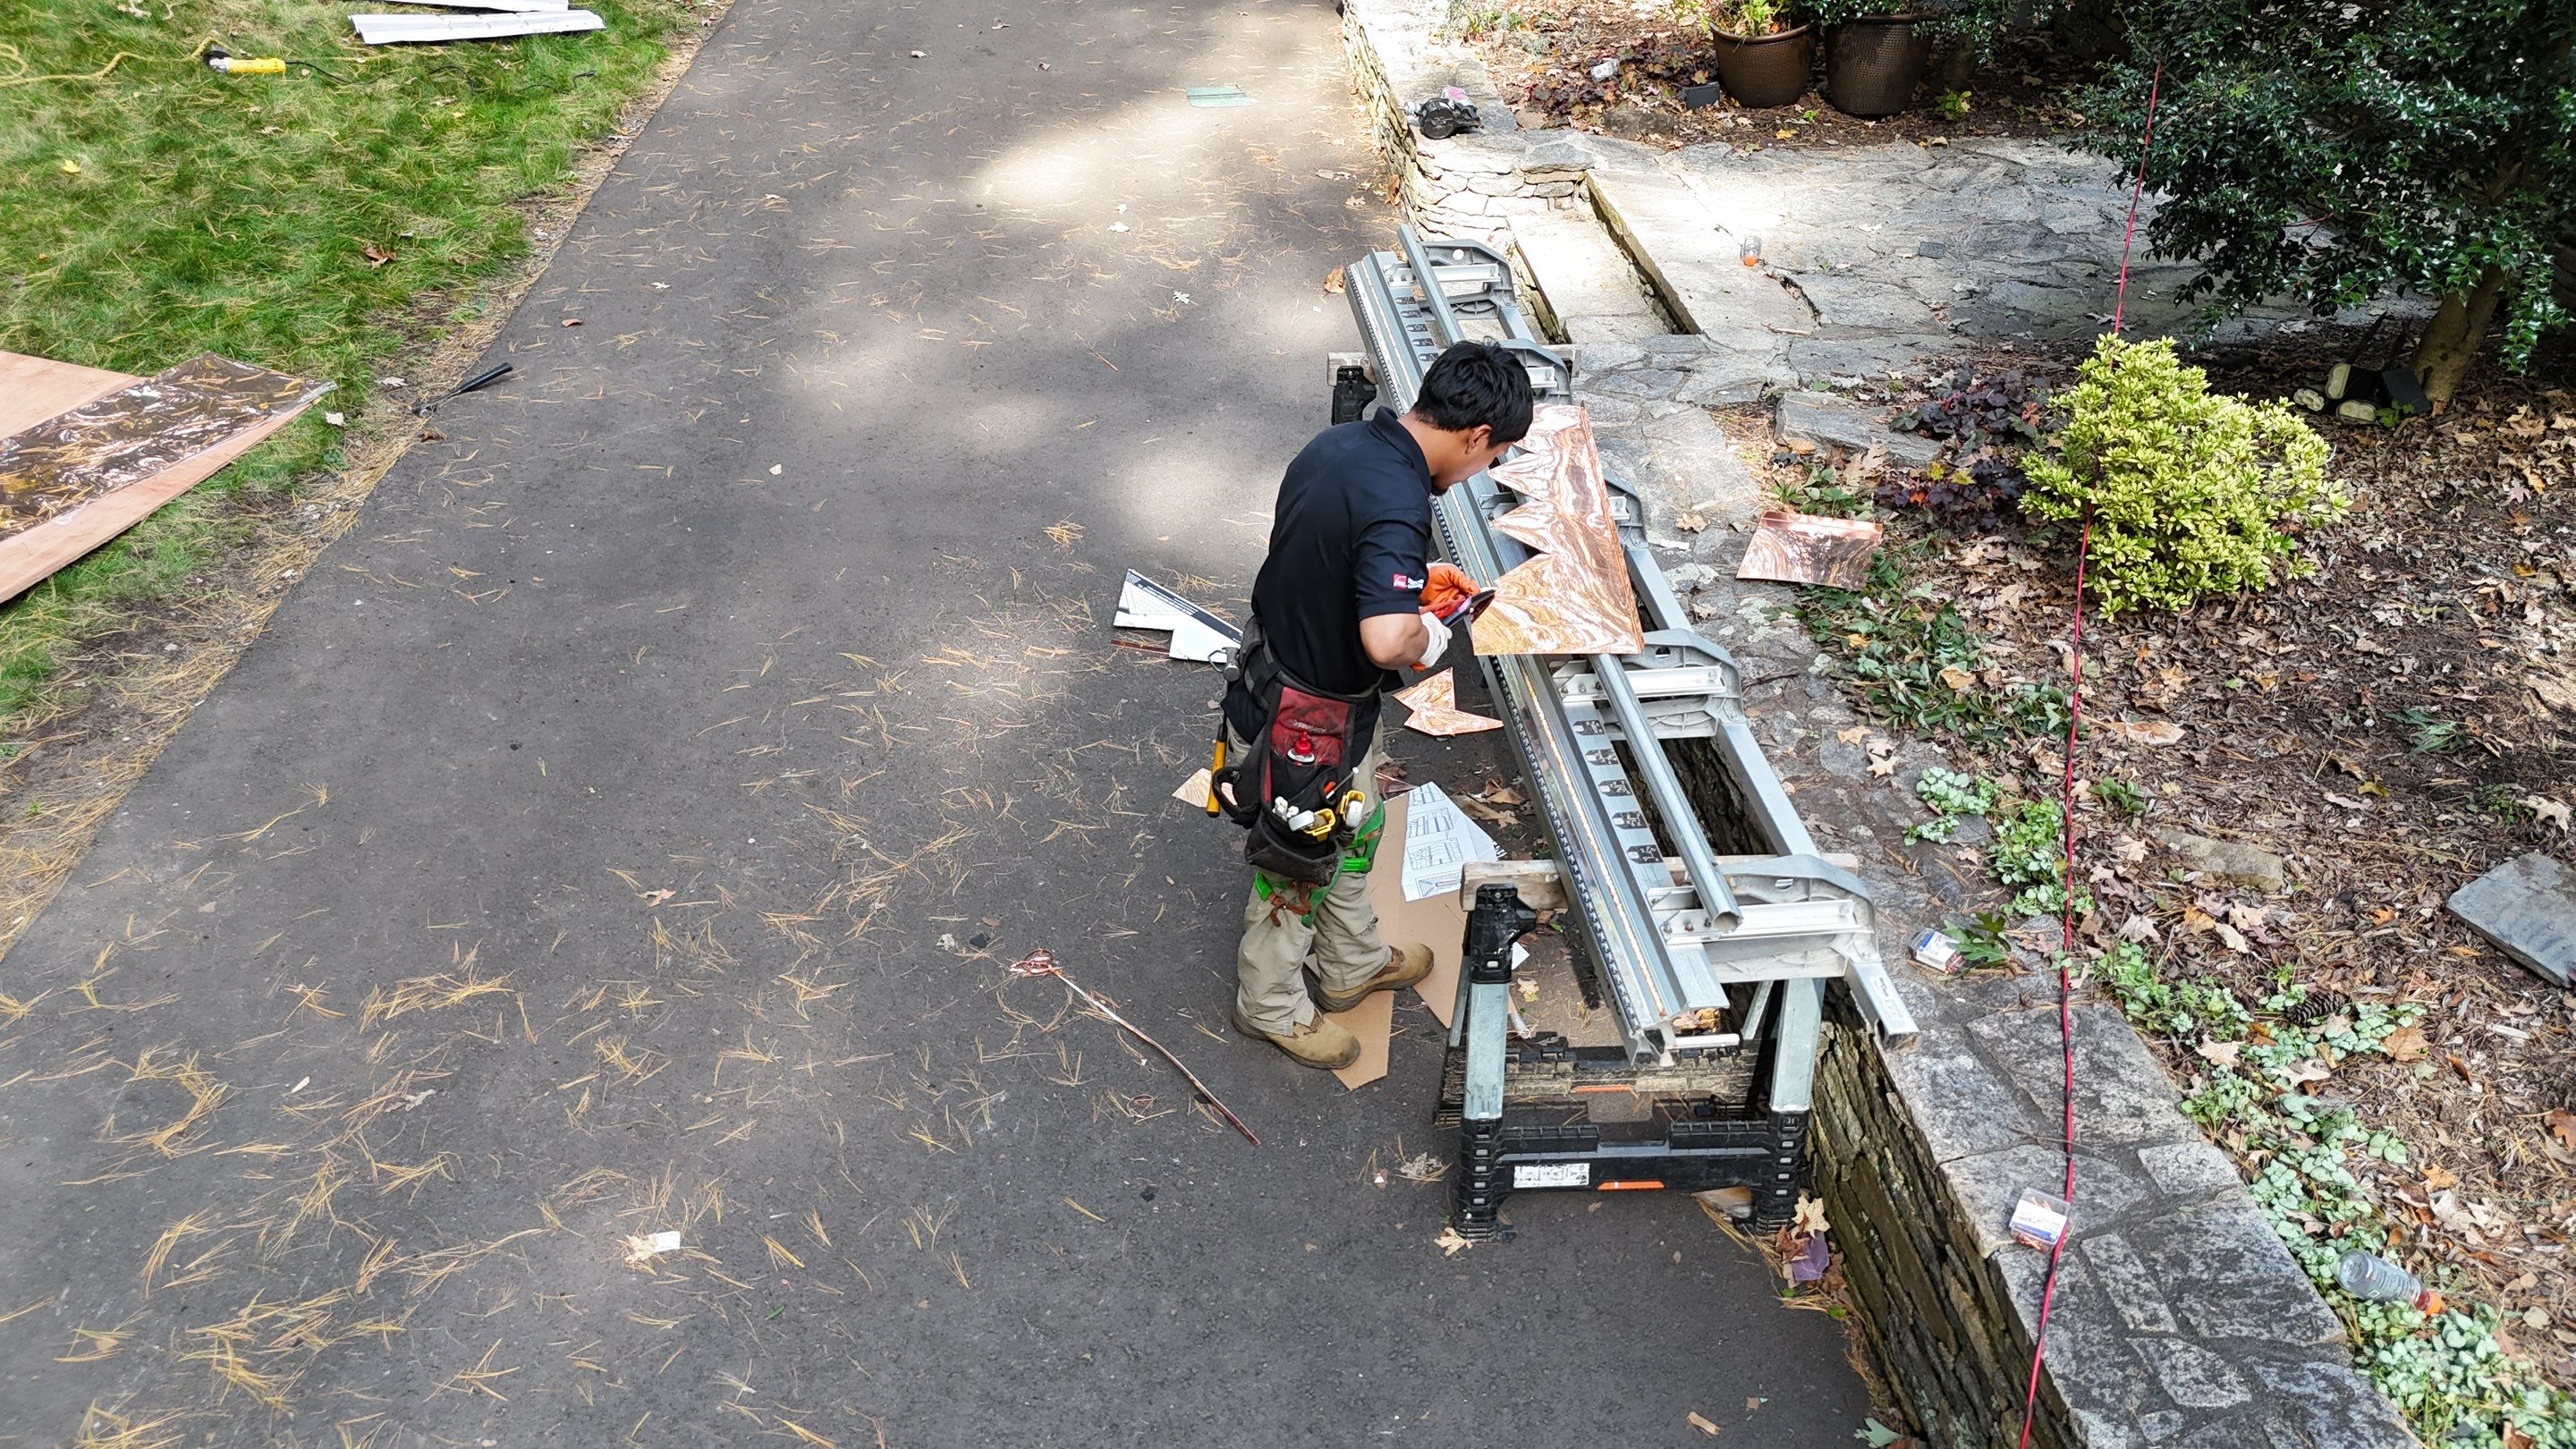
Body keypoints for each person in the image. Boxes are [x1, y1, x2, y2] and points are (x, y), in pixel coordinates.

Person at [1217, 341, 1535, 1069]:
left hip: (1289, 683)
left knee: (1357, 829)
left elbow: (1326, 554)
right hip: (1307, 725)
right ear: (1477, 436)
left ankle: (1351, 961)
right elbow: (1390, 641)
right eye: (1492, 459)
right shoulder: (1399, 503)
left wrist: (1406, 579)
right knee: (1298, 858)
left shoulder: (1340, 446)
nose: (1480, 474)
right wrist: (1423, 627)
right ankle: (1268, 1005)